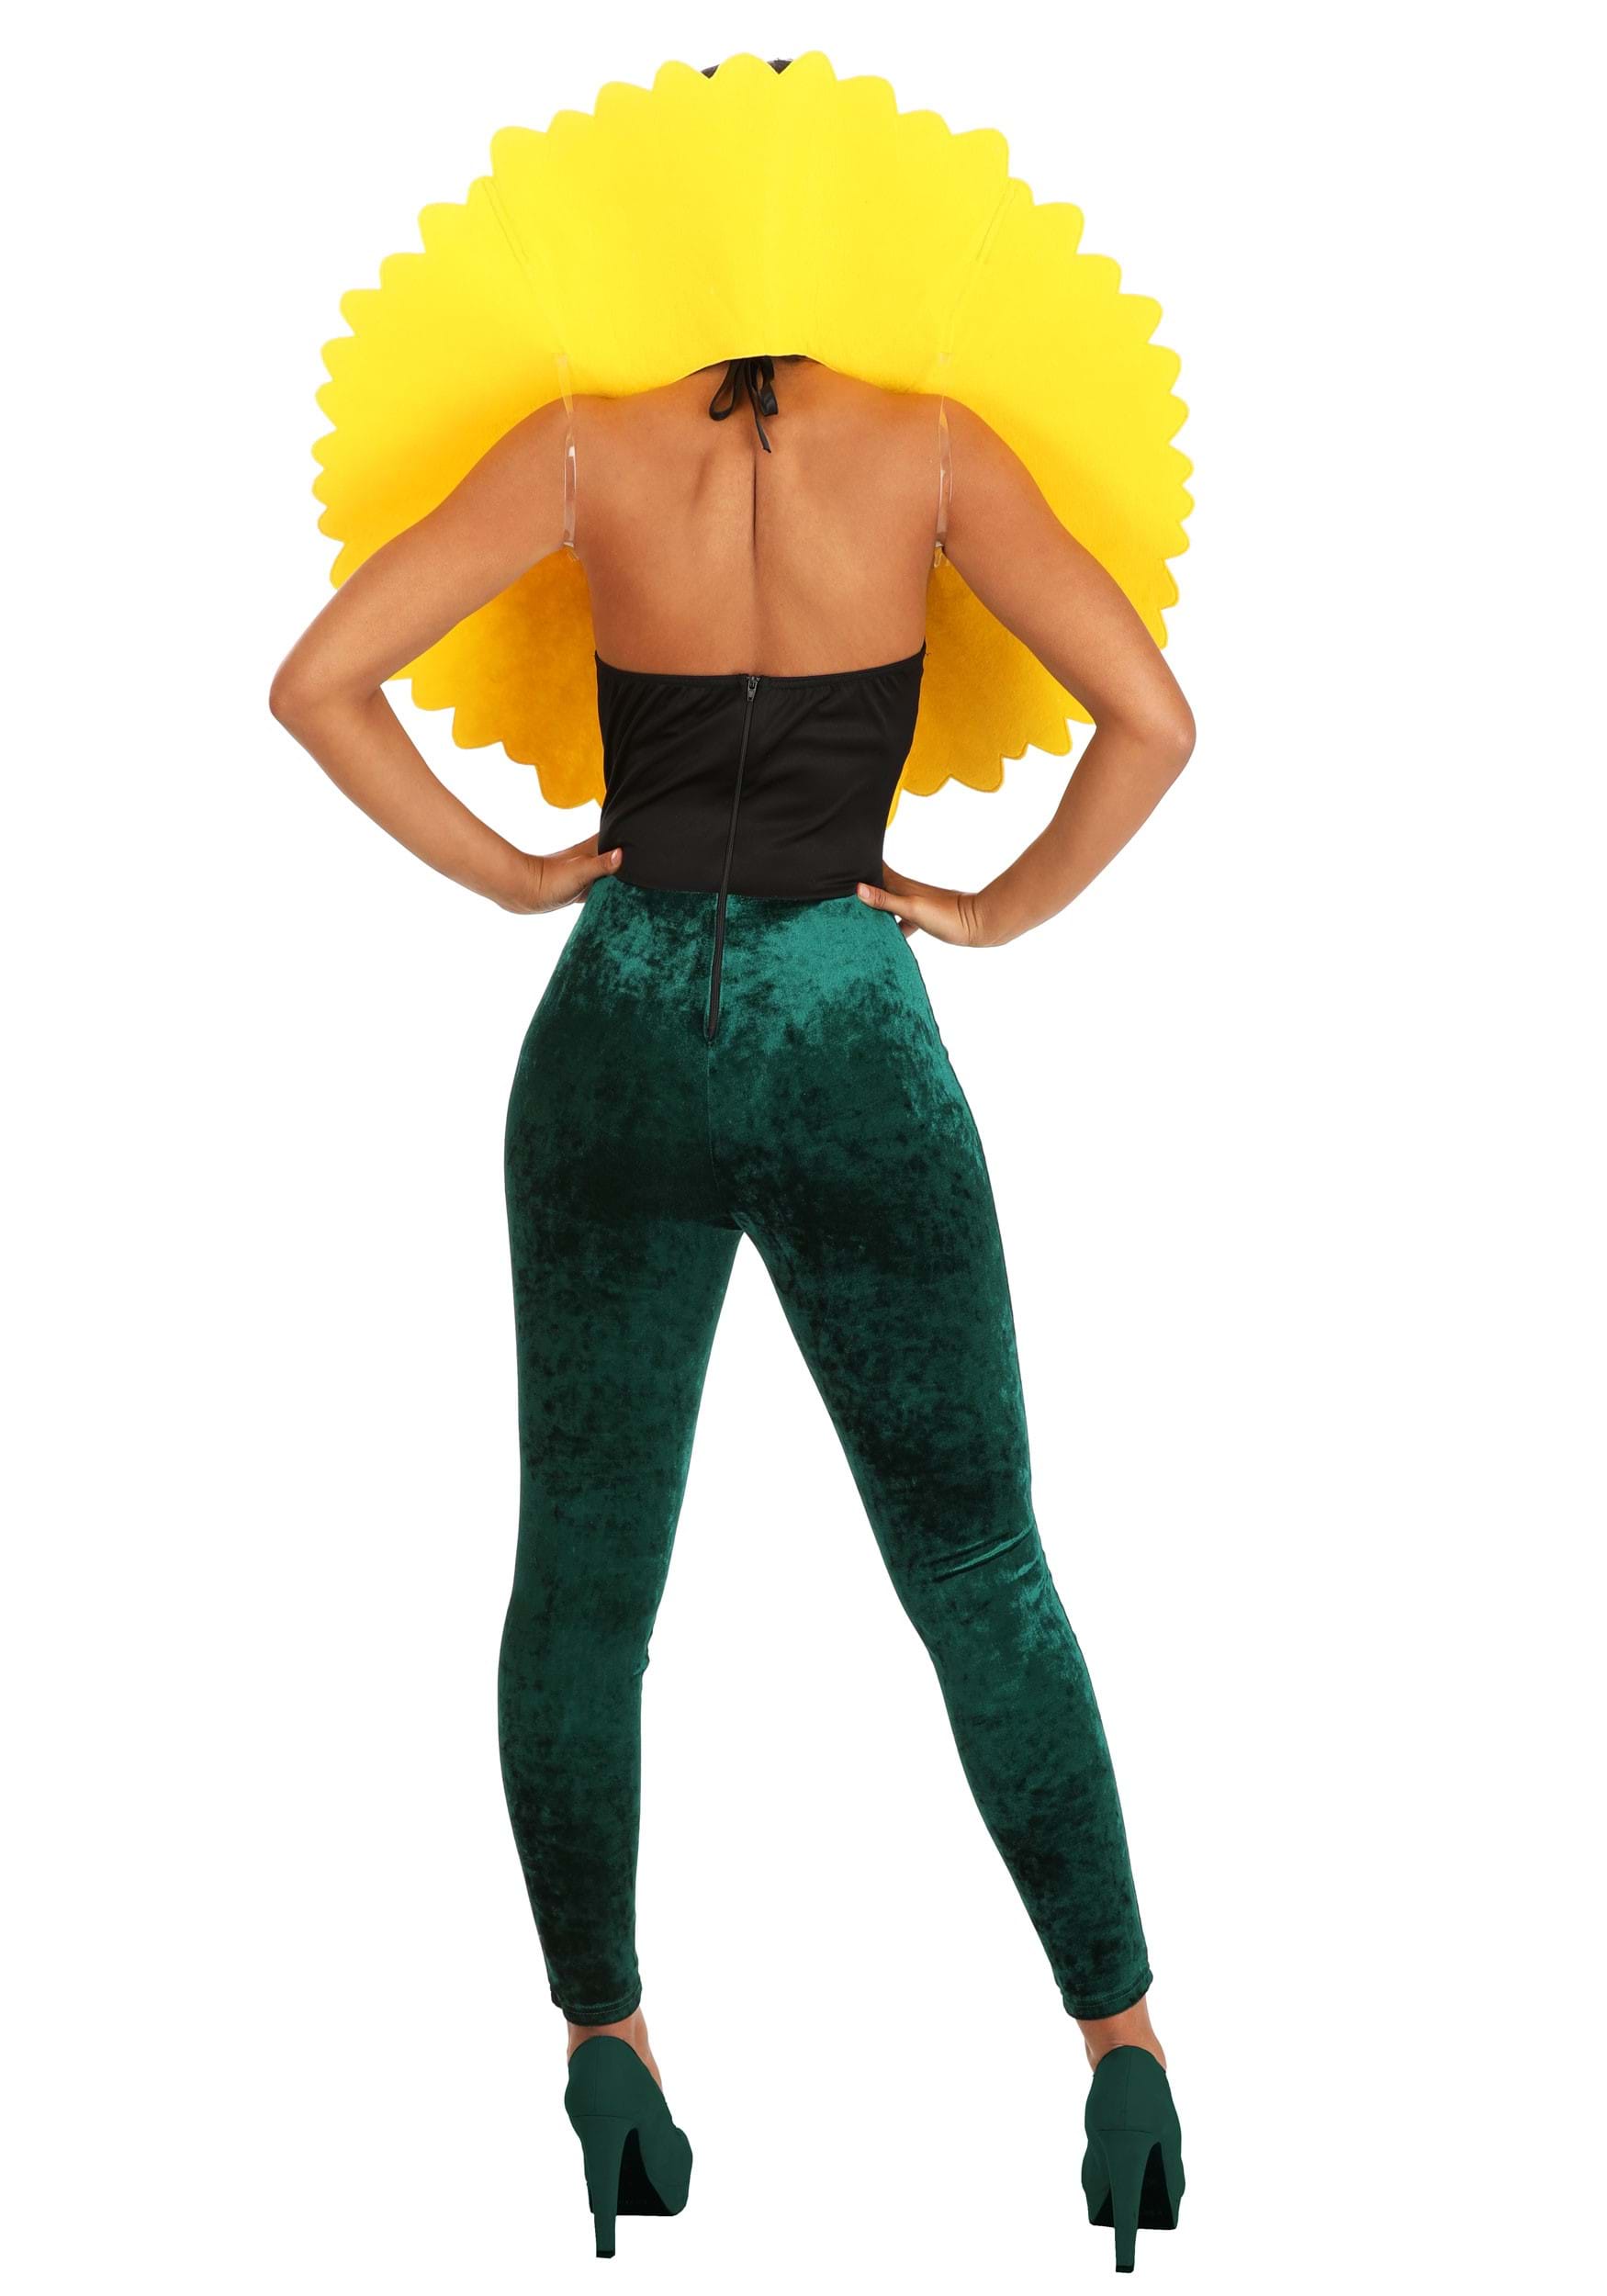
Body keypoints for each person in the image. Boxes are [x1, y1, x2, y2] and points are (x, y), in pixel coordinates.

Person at [270, 344, 1193, 2270]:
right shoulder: (934, 441)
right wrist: (988, 910)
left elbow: (317, 683)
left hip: (611, 1037)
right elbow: (1152, 722)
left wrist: (518, 875)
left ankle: (603, 2046)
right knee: (978, 1563)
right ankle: (1119, 2053)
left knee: (582, 1586)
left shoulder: (581, 441)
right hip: (847, 1030)